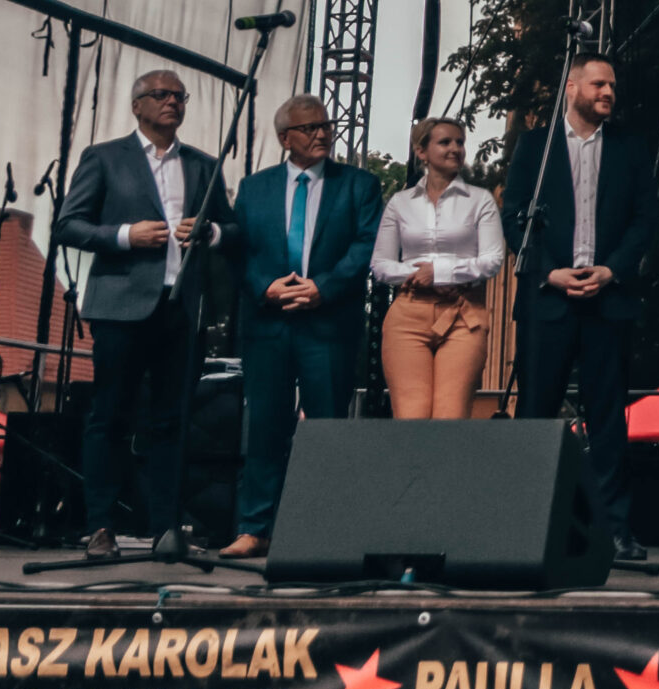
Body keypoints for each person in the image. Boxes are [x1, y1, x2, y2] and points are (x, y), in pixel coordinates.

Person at [53, 69, 236, 559]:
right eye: (161, 94)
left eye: (179, 96)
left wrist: (212, 232)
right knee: (110, 417)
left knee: (172, 422)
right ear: (137, 105)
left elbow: (233, 230)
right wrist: (124, 235)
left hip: (181, 309)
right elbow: (68, 225)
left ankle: (166, 530)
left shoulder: (203, 166)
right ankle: (100, 527)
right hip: (120, 308)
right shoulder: (105, 158)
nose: (172, 101)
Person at [503, 54, 659, 563]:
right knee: (535, 415)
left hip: (607, 300)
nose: (608, 92)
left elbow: (644, 219)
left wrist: (611, 270)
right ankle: (525, 529)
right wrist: (549, 271)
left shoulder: (629, 148)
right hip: (548, 299)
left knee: (609, 420)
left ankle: (615, 532)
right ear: (570, 87)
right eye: (598, 84)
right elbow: (514, 216)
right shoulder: (536, 145)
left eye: (612, 85)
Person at [221, 94, 381, 559]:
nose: (322, 133)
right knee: (265, 427)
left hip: (328, 322)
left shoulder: (359, 185)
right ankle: (255, 528)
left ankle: (325, 531)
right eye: (310, 128)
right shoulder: (254, 187)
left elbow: (366, 245)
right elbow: (239, 251)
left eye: (325, 125)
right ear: (284, 138)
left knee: (327, 429)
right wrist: (265, 287)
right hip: (268, 323)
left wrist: (322, 288)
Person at [372, 116, 503, 419]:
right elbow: (380, 265)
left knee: (450, 416)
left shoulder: (480, 200)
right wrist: (418, 275)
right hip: (408, 312)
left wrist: (440, 272)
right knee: (411, 416)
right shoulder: (400, 203)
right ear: (422, 151)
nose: (455, 148)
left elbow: (492, 260)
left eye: (460, 142)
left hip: (462, 312)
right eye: (445, 142)